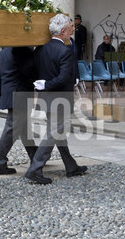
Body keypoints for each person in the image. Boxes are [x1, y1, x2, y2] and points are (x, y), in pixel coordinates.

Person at [26, 14, 88, 184]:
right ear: (62, 32)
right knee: (54, 133)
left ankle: (71, 166)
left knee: (58, 132)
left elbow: (35, 70)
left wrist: (43, 84)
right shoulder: (65, 51)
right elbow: (62, 78)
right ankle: (35, 169)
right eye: (70, 28)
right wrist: (47, 84)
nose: (72, 30)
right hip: (60, 98)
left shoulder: (41, 49)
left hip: (46, 98)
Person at [0, 47, 38, 175]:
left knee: (23, 127)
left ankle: (35, 156)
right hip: (20, 93)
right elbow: (29, 72)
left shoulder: (3, 52)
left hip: (10, 93)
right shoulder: (23, 50)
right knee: (11, 129)